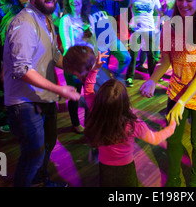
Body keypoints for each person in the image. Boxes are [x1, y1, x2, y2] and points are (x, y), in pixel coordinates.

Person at [140, 0, 196, 187]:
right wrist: (151, 80)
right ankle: (174, 179)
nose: (184, 4)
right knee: (174, 139)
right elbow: (165, 60)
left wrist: (183, 102)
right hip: (177, 90)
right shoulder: (169, 27)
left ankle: (195, 181)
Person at [3, 0, 79, 187]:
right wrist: (60, 90)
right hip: (24, 102)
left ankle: (41, 180)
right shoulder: (24, 24)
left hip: (43, 98)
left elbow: (54, 55)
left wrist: (82, 66)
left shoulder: (46, 18)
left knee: (47, 144)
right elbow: (22, 69)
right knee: (33, 153)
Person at [63, 46, 176, 187]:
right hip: (125, 168)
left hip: (105, 167)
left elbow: (88, 90)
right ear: (125, 102)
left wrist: (94, 69)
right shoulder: (134, 124)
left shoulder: (95, 109)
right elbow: (154, 139)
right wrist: (171, 127)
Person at [59, 0, 96, 133]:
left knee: (89, 94)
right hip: (73, 64)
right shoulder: (65, 20)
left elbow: (93, 43)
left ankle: (89, 123)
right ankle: (75, 123)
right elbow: (67, 45)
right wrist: (78, 65)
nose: (74, 1)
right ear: (68, 2)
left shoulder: (89, 18)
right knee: (74, 95)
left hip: (88, 64)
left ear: (83, 0)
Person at [86, 0, 131, 83]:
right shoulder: (85, 10)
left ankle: (117, 79)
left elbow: (123, 5)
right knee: (103, 75)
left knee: (126, 58)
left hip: (112, 39)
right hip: (99, 46)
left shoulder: (106, 3)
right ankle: (106, 90)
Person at [125, 0, 162, 87]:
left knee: (150, 56)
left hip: (149, 29)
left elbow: (160, 11)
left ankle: (153, 77)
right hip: (137, 30)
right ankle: (129, 77)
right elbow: (123, 8)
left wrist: (157, 24)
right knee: (133, 55)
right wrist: (128, 23)